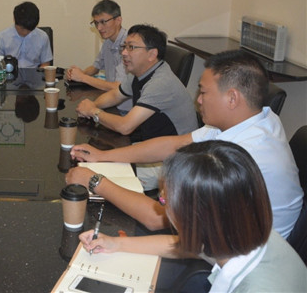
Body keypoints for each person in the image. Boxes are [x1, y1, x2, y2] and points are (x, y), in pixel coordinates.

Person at [68, 50, 303, 239]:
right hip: (229, 237)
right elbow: (174, 145)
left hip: (242, 264)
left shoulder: (243, 156)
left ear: (232, 98)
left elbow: (158, 218)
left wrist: (95, 181)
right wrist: (103, 156)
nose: (197, 100)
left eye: (204, 92)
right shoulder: (256, 118)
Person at [79, 141, 307, 292]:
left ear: (195, 217)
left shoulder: (258, 288)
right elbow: (190, 245)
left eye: (164, 200)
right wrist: (117, 244)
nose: (162, 206)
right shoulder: (236, 229)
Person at [75, 24, 197, 189]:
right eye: (124, 47)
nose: (124, 53)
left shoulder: (161, 82)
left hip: (172, 163)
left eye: (131, 47)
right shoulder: (140, 72)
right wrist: (91, 105)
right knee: (90, 159)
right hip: (150, 149)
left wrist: (93, 111)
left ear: (152, 54)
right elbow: (115, 95)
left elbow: (125, 127)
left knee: (92, 176)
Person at [66, 0, 131, 113]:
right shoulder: (108, 41)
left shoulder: (129, 45)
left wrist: (82, 77)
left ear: (118, 20)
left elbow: (118, 87)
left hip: (126, 110)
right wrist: (78, 73)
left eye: (103, 22)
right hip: (111, 102)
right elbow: (95, 67)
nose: (99, 28)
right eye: (96, 23)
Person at [0, 1, 52, 68]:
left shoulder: (43, 37)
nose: (26, 33)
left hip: (34, 72)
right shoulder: (1, 38)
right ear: (14, 20)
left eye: (30, 30)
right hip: (9, 73)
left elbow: (45, 64)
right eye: (22, 29)